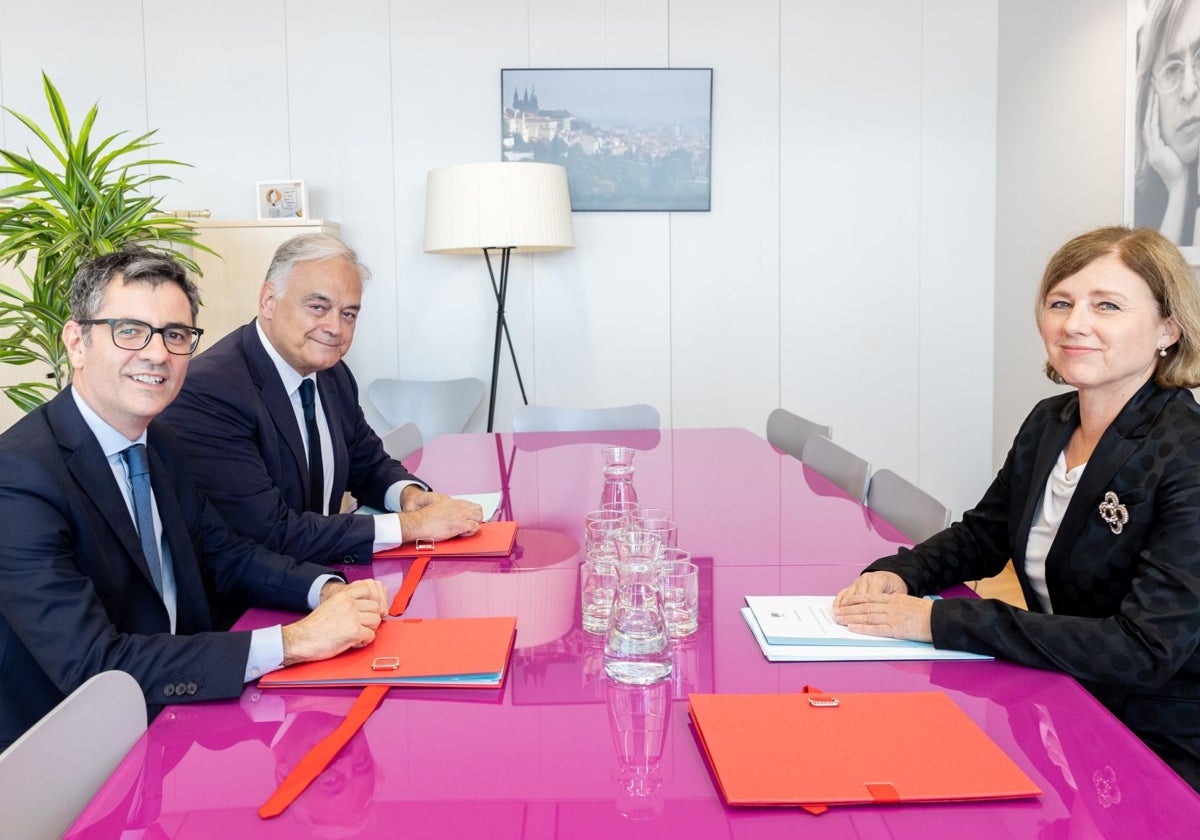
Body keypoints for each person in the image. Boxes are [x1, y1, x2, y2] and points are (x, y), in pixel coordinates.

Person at [834, 225, 1200, 791]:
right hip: (1062, 701)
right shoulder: (1050, 421)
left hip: (1159, 740)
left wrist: (938, 619)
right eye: (1061, 302)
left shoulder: (1187, 454)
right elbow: (986, 535)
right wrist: (898, 574)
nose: (1074, 323)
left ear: (1167, 329)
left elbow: (1144, 649)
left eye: (1107, 305)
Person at [0, 247, 389, 750]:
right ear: (77, 342)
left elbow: (227, 554)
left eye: (175, 335)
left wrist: (326, 590)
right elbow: (95, 667)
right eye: (130, 330)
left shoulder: (157, 442)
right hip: (70, 753)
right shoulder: (19, 477)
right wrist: (293, 642)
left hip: (178, 716)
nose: (158, 354)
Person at [163, 233, 481, 571]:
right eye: (318, 307)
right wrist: (413, 526)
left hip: (327, 573)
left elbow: (367, 464)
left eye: (348, 314)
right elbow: (270, 531)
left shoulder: (333, 373)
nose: (334, 328)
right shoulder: (210, 388)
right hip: (252, 603)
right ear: (269, 300)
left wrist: (410, 497)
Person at [1134, 0, 1200, 245]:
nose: (1189, 90)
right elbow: (1161, 282)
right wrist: (1178, 186)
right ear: (1151, 93)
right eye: (1172, 69)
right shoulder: (1140, 203)